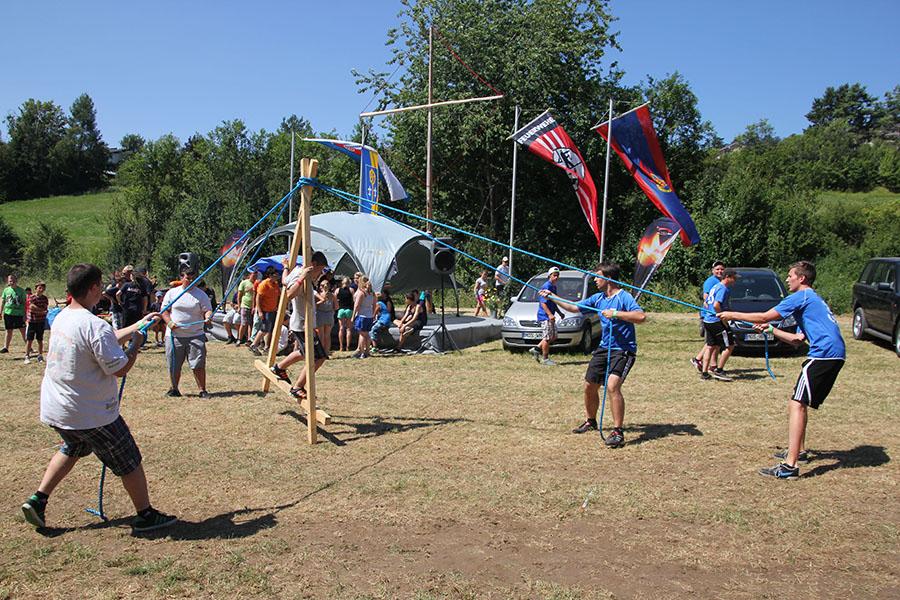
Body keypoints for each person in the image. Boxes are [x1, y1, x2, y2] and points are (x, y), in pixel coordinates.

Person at [20, 263, 176, 532]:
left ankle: (38, 500)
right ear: (92, 288)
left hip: (59, 410)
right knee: (129, 459)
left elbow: (103, 339)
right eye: (100, 285)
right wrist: (137, 343)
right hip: (90, 413)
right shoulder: (94, 325)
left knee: (74, 447)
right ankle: (145, 514)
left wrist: (137, 324)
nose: (103, 290)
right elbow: (120, 369)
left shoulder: (64, 317)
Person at [718, 260, 845, 479]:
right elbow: (796, 339)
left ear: (801, 278)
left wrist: (732, 314)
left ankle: (790, 466)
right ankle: (800, 451)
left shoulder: (801, 296)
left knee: (797, 403)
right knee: (799, 402)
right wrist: (770, 330)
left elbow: (765, 315)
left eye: (790, 275)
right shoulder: (811, 300)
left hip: (824, 354)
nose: (787, 279)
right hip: (833, 355)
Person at [547, 262, 646, 447]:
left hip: (623, 349)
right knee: (589, 386)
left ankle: (617, 432)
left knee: (612, 386)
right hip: (604, 348)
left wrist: (616, 313)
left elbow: (641, 317)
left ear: (608, 278)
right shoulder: (598, 298)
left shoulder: (624, 297)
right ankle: (590, 421)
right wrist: (552, 297)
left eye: (597, 276)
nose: (595, 279)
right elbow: (574, 308)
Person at [268, 252, 329, 400]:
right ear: (313, 264)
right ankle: (298, 387)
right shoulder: (300, 275)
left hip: (302, 323)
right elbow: (289, 294)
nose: (321, 274)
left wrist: (285, 268)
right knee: (318, 358)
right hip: (302, 324)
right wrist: (302, 278)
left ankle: (279, 367)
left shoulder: (296, 270)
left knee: (303, 353)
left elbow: (284, 281)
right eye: (320, 269)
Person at [160, 259, 213, 398]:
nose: (190, 280)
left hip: (195, 334)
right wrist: (170, 323)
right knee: (174, 364)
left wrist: (208, 316)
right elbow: (164, 311)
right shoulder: (172, 293)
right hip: (174, 335)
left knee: (198, 364)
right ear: (181, 278)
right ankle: (174, 389)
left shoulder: (201, 295)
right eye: (187, 278)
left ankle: (202, 390)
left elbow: (207, 310)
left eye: (193, 278)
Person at [700, 268, 739, 381]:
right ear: (727, 277)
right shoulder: (723, 289)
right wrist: (722, 318)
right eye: (734, 278)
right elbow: (717, 305)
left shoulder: (715, 286)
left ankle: (705, 373)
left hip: (707, 320)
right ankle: (719, 370)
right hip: (716, 322)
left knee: (710, 346)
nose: (735, 281)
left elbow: (707, 303)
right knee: (730, 345)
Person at [692, 261, 730, 372]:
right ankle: (703, 361)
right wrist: (713, 312)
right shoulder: (711, 281)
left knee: (713, 343)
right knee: (713, 343)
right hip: (710, 316)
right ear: (712, 270)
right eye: (717, 269)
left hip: (714, 316)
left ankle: (706, 362)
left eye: (722, 269)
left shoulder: (720, 282)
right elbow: (706, 298)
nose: (720, 271)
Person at [530, 267, 562, 366]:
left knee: (553, 336)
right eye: (554, 275)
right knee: (548, 338)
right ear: (549, 276)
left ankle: (536, 349)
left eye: (557, 275)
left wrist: (559, 312)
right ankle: (545, 359)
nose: (556, 277)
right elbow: (543, 303)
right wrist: (550, 314)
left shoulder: (553, 287)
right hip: (545, 316)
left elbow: (554, 301)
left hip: (550, 316)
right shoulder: (546, 287)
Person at [248, 267, 280, 356]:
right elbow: (258, 298)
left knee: (269, 329)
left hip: (273, 310)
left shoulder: (275, 284)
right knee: (264, 329)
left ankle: (266, 347)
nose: (277, 277)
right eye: (275, 275)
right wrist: (260, 311)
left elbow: (279, 294)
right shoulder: (264, 284)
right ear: (270, 275)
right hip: (265, 310)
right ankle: (253, 344)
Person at [24, 281, 50, 364]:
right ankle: (27, 356)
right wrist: (41, 311)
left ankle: (40, 355)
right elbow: (31, 307)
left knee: (40, 339)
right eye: (40, 287)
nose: (41, 289)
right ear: (36, 289)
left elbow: (45, 308)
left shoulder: (45, 298)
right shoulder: (32, 297)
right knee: (29, 340)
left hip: (40, 321)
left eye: (43, 288)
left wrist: (40, 311)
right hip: (32, 321)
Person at [1, 274, 27, 354]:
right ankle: (6, 347)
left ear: (16, 280)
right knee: (9, 330)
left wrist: (24, 314)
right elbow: (3, 301)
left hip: (19, 313)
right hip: (8, 313)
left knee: (23, 330)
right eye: (9, 280)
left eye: (12, 280)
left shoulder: (21, 291)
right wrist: (0, 311)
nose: (11, 282)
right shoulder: (6, 290)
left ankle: (29, 346)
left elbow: (24, 303)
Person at [352, 276, 376, 358]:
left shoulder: (362, 293)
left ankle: (362, 353)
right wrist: (373, 315)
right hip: (369, 316)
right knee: (367, 335)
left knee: (362, 335)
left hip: (362, 316)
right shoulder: (373, 294)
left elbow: (357, 306)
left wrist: (353, 316)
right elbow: (374, 305)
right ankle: (367, 351)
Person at [314, 278, 337, 355]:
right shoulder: (333, 295)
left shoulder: (318, 295)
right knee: (327, 335)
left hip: (320, 314)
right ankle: (327, 352)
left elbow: (315, 306)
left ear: (321, 286)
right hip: (329, 315)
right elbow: (336, 307)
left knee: (321, 335)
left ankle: (321, 353)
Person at [236, 271, 256, 346]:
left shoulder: (256, 283)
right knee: (244, 323)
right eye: (253, 275)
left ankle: (249, 340)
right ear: (250, 275)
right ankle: (239, 339)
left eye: (256, 275)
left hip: (253, 307)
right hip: (245, 305)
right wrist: (239, 305)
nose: (255, 277)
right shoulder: (244, 283)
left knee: (251, 324)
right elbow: (239, 295)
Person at [335, 276, 355, 352]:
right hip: (349, 310)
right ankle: (348, 347)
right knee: (349, 329)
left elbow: (335, 299)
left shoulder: (337, 290)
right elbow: (354, 300)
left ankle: (341, 346)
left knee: (341, 328)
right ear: (349, 283)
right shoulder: (351, 290)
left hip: (341, 309)